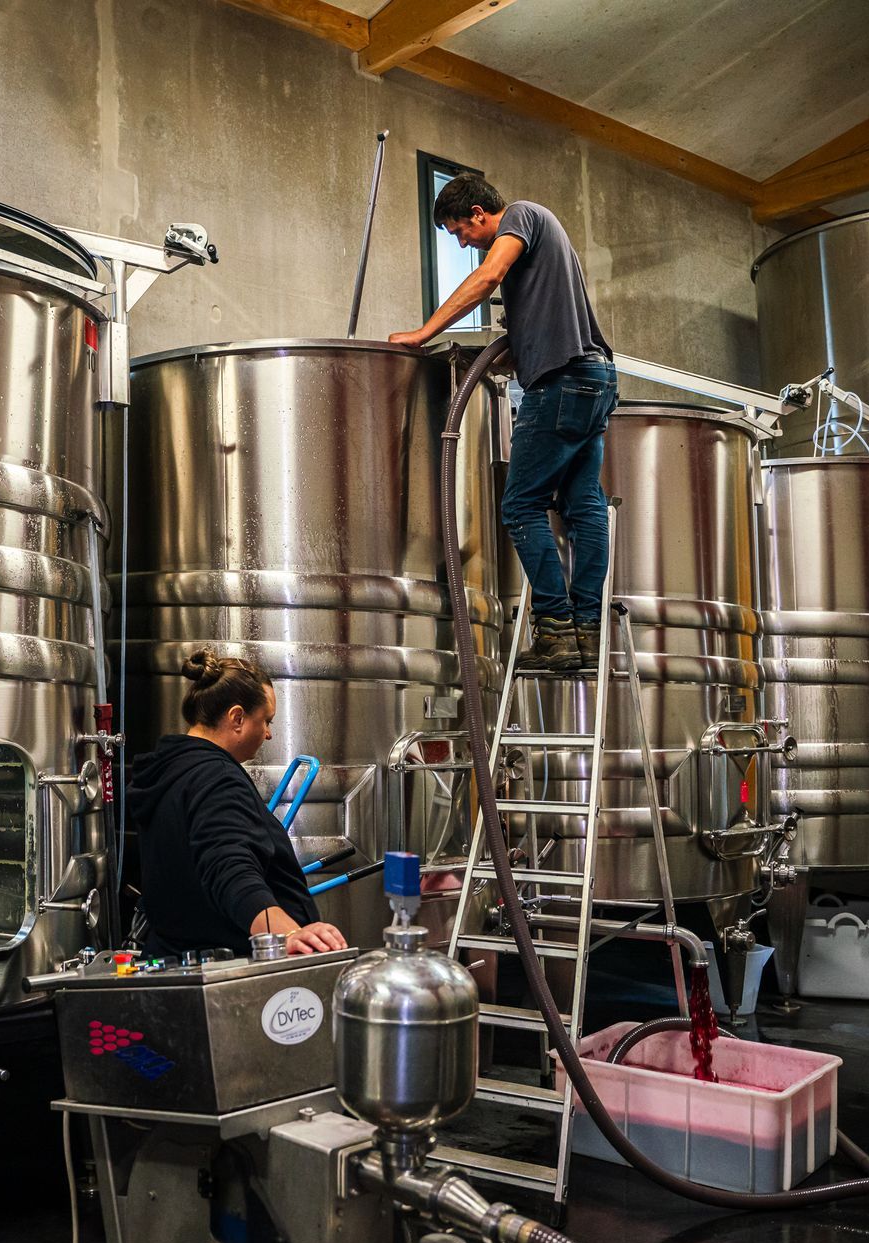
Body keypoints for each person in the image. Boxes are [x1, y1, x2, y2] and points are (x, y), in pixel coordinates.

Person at [391, 174, 617, 672]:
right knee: (583, 505)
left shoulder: (521, 215)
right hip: (594, 379)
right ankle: (588, 630)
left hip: (561, 383)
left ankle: (555, 629)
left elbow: (487, 277)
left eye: (459, 231)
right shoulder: (539, 262)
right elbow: (534, 333)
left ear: (478, 213)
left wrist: (423, 333)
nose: (462, 243)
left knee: (520, 506)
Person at [128, 650, 348, 958]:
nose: (268, 734)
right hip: (227, 967)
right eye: (266, 720)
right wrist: (288, 934)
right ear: (237, 718)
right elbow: (229, 868)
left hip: (177, 958)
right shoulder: (216, 777)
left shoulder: (170, 772)